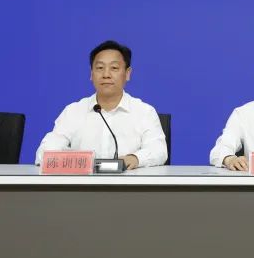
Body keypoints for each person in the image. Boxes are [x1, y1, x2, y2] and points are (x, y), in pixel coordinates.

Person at [35, 40, 167, 169]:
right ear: (91, 74)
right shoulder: (73, 111)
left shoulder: (144, 112)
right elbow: (44, 153)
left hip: (129, 183)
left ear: (127, 74)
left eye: (114, 68)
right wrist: (75, 160)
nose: (106, 74)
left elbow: (159, 150)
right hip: (82, 183)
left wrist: (135, 158)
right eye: (100, 68)